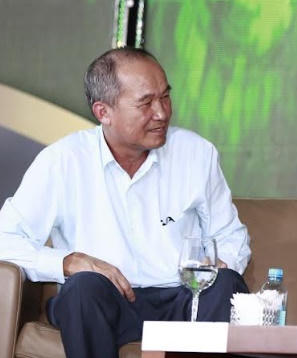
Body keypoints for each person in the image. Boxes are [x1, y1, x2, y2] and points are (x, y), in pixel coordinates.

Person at [0, 47, 251, 357]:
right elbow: (4, 239)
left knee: (225, 283)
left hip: (184, 300)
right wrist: (68, 261)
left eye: (165, 97)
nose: (162, 113)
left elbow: (231, 235)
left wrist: (219, 264)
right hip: (107, 302)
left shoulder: (197, 154)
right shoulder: (63, 161)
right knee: (82, 289)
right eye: (146, 103)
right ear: (103, 112)